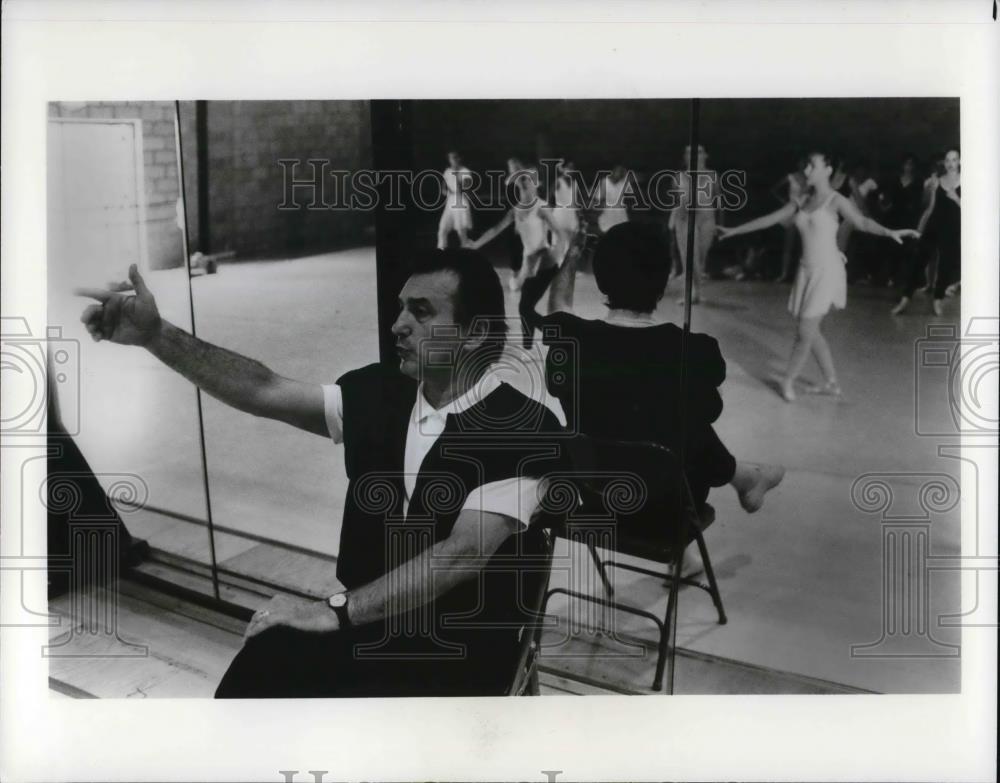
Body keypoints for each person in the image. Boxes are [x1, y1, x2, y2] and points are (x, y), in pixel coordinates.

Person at [77, 250, 564, 698]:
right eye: (400, 309)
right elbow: (262, 389)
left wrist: (330, 610)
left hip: (459, 649)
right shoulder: (380, 393)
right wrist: (157, 335)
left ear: (476, 332)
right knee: (259, 669)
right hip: (369, 623)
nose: (398, 325)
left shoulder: (526, 427)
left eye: (420, 312)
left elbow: (461, 555)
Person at [524, 221, 785, 516]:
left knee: (633, 409)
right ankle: (745, 477)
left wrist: (573, 254)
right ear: (663, 280)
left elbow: (558, 306)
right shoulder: (695, 350)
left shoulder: (570, 340)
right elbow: (707, 416)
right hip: (670, 508)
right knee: (680, 415)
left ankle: (745, 478)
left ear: (600, 279)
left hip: (597, 500)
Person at [718, 151, 919, 402]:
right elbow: (770, 220)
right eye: (807, 167)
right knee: (812, 332)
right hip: (805, 271)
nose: (807, 172)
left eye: (813, 166)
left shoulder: (837, 200)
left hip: (828, 271)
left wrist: (889, 232)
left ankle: (787, 380)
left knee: (805, 330)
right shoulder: (802, 200)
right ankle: (831, 382)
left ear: (828, 170)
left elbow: (863, 222)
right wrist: (734, 230)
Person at [910, 147, 961, 317]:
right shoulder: (936, 181)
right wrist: (922, 224)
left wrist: (956, 199)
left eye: (954, 160)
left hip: (955, 226)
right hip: (935, 223)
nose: (950, 164)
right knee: (925, 255)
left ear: (960, 161)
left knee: (946, 261)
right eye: (947, 160)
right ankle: (919, 289)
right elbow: (929, 206)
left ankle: (939, 295)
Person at [669, 145, 719, 304]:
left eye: (698, 152)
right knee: (689, 257)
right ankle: (691, 292)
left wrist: (719, 225)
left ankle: (697, 292)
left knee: (701, 257)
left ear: (706, 155)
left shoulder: (713, 175)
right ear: (685, 157)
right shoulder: (679, 176)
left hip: (707, 218)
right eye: (690, 153)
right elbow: (676, 201)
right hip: (685, 218)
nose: (694, 155)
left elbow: (718, 200)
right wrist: (673, 219)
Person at [886, 155, 929, 314]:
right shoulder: (896, 180)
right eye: (906, 163)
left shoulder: (919, 182)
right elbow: (890, 199)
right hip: (895, 220)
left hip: (910, 220)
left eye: (911, 163)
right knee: (895, 252)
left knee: (907, 253)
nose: (908, 166)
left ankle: (904, 288)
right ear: (902, 165)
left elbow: (923, 202)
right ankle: (896, 285)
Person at [437, 151, 474, 249]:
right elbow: (443, 189)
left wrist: (457, 177)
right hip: (450, 203)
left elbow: (466, 188)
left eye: (454, 158)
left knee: (461, 232)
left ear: (459, 158)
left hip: (461, 203)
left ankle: (466, 252)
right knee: (442, 229)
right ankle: (440, 253)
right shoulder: (447, 171)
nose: (452, 160)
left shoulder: (465, 171)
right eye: (450, 158)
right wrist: (447, 192)